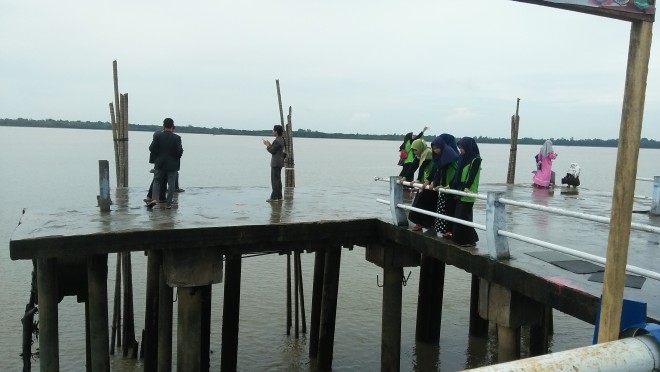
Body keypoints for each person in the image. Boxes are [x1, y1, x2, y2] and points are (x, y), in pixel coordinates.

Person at [451, 137, 482, 247]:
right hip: (460, 190)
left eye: (462, 148)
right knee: (460, 215)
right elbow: (458, 173)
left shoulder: (476, 159)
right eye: (459, 148)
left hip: (469, 191)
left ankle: (469, 240)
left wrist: (466, 187)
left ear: (468, 147)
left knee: (464, 216)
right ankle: (463, 239)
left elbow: (472, 176)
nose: (460, 150)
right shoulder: (462, 157)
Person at [147, 118, 183, 209]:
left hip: (160, 163)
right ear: (172, 126)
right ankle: (168, 204)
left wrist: (158, 155)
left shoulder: (158, 136)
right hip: (172, 164)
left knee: (157, 181)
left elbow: (151, 148)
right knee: (171, 184)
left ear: (163, 125)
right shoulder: (177, 138)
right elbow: (179, 151)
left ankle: (154, 199)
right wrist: (175, 157)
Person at [430, 134, 460, 238]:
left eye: (437, 148)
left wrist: (447, 186)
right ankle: (443, 229)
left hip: (450, 188)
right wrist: (434, 182)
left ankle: (449, 230)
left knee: (450, 208)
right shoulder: (442, 156)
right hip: (443, 188)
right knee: (442, 208)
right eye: (434, 149)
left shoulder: (451, 157)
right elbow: (439, 171)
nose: (435, 151)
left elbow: (453, 174)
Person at [407, 138, 438, 231]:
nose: (414, 152)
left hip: (430, 181)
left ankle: (422, 223)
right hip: (425, 181)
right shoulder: (421, 154)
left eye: (415, 150)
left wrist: (419, 180)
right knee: (422, 203)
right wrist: (405, 177)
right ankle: (424, 223)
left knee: (423, 203)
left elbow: (424, 167)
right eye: (413, 150)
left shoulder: (427, 153)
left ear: (420, 148)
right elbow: (414, 165)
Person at [263, 124, 286, 202]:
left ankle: (274, 197)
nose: (272, 131)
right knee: (278, 180)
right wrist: (270, 144)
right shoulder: (282, 139)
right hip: (280, 162)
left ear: (276, 131)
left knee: (275, 180)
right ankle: (279, 197)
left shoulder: (277, 140)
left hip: (276, 162)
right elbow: (276, 149)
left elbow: (272, 151)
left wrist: (267, 145)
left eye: (273, 130)